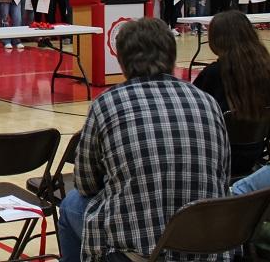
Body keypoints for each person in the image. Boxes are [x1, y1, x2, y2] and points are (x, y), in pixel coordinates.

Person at [58, 17, 230, 262]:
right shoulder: (207, 101)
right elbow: (223, 174)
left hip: (140, 250)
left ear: (122, 61)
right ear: (172, 56)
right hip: (207, 244)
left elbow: (86, 184)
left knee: (71, 204)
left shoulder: (106, 104)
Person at [192, 10, 270, 175]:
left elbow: (191, 112)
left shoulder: (215, 73)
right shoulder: (268, 65)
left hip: (220, 156)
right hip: (255, 151)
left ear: (218, 39)